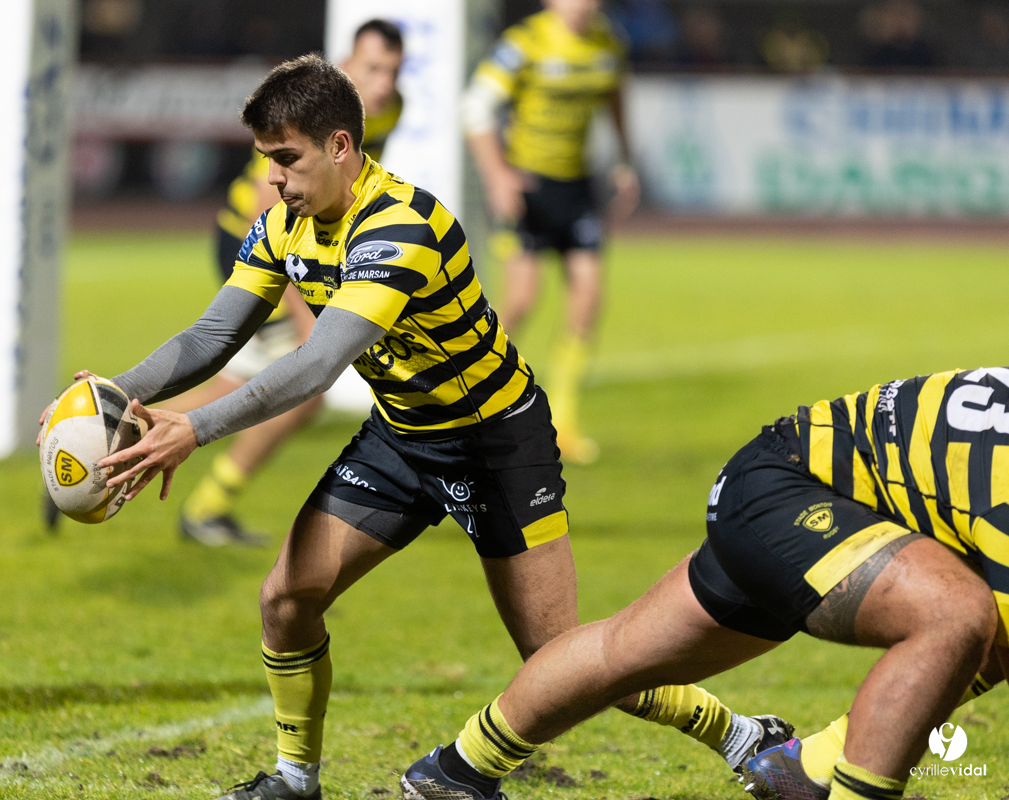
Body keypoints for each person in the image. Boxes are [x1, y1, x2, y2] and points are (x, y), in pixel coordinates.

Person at [44, 54, 787, 800]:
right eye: (266, 159)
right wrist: (111, 393)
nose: (273, 178)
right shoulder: (280, 226)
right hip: (402, 438)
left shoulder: (400, 227)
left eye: (287, 159)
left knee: (558, 658)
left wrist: (194, 428)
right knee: (286, 599)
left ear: (340, 146)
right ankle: (296, 780)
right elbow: (213, 336)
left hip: (496, 443)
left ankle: (740, 734)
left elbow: (317, 364)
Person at [401, 366, 1009, 800]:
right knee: (956, 614)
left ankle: (456, 771)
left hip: (787, 488)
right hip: (792, 493)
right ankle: (816, 768)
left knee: (621, 651)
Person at [163, 19, 406, 547]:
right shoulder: (312, 109)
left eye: (393, 70)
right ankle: (194, 496)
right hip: (256, 238)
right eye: (372, 68)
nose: (384, 83)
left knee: (246, 383)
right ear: (348, 63)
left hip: (300, 241)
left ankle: (113, 432)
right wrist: (305, 315)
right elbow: (267, 204)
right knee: (299, 386)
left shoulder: (390, 108)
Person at [463, 0, 640, 466]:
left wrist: (624, 159)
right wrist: (498, 177)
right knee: (521, 301)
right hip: (529, 189)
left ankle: (563, 422)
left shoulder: (607, 43)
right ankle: (470, 404)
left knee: (588, 300)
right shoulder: (526, 43)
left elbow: (615, 95)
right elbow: (475, 108)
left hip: (577, 189)